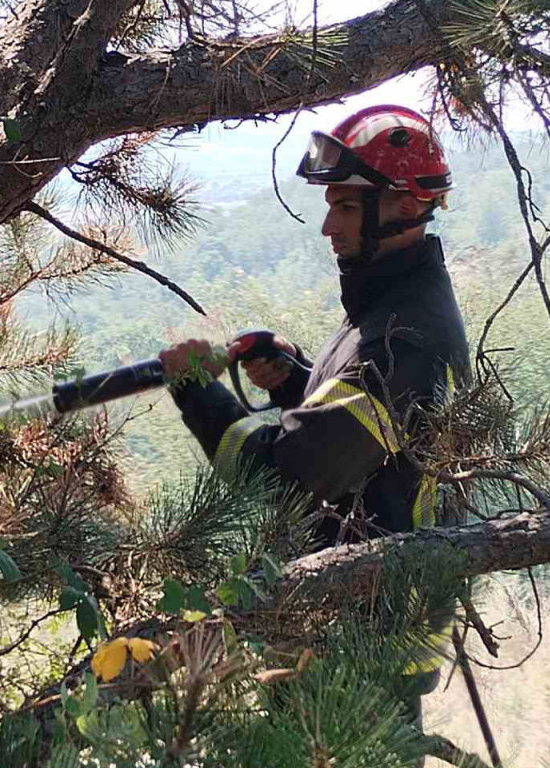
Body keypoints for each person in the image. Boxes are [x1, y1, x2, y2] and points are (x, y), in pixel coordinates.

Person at [158, 104, 471, 751]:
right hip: (341, 635)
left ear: (405, 207)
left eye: (347, 208)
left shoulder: (403, 335)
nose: (328, 226)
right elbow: (371, 444)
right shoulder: (385, 308)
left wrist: (198, 393)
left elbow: (289, 477)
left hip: (358, 655)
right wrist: (298, 378)